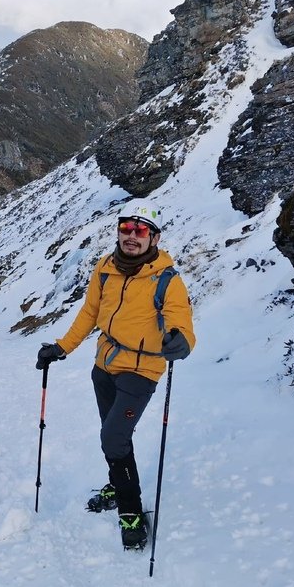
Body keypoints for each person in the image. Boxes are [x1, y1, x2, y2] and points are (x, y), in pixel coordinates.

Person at [35, 200, 195, 550]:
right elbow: (90, 312)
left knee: (112, 439)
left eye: (140, 231)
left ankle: (130, 510)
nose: (131, 236)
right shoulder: (105, 269)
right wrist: (62, 347)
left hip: (142, 371)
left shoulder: (167, 280)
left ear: (154, 238)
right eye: (126, 229)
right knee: (115, 437)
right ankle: (117, 482)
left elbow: (180, 319)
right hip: (104, 366)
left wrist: (180, 340)